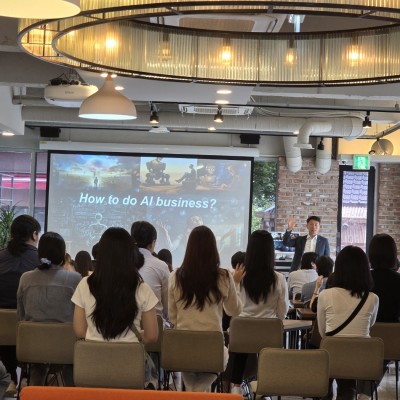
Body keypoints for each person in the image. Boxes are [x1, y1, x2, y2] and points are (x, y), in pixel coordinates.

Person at [72, 227, 158, 383]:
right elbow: (152, 336)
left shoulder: (85, 284)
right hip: (129, 367)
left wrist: (99, 338)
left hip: (92, 365)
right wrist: (134, 336)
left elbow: (79, 331)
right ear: (130, 254)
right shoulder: (141, 287)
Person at [168, 225, 244, 392]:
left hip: (183, 349)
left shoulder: (175, 276)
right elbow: (234, 311)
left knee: (190, 375)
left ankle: (194, 391)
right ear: (213, 249)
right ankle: (200, 391)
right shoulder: (224, 276)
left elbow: (172, 317)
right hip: (212, 350)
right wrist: (236, 284)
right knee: (215, 365)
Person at [17, 232, 81, 386]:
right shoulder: (75, 279)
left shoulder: (26, 278)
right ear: (63, 254)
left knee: (37, 362)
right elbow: (80, 318)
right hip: (66, 350)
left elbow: (21, 315)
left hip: (32, 348)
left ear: (40, 254)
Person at [230, 231, 289, 395]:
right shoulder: (278, 278)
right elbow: (282, 311)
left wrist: (234, 283)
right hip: (268, 336)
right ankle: (265, 388)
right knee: (267, 352)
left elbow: (232, 307)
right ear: (271, 252)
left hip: (241, 334)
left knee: (240, 348)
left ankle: (235, 386)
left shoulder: (239, 276)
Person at [317, 246, 379, 400]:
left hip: (330, 356)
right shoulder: (373, 298)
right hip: (360, 359)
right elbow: (370, 326)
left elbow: (322, 331)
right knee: (348, 386)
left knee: (325, 379)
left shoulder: (325, 295)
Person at [0, 215, 41, 396]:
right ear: (34, 234)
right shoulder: (42, 260)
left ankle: (10, 378)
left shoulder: (1, 256)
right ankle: (28, 378)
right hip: (31, 325)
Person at [131, 221, 170, 322]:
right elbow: (167, 307)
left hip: (124, 328)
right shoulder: (161, 266)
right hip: (154, 327)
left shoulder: (120, 263)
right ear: (153, 243)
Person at [368, 233, 400, 322]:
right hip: (395, 331)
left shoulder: (363, 279)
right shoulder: (398, 279)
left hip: (367, 331)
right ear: (393, 254)